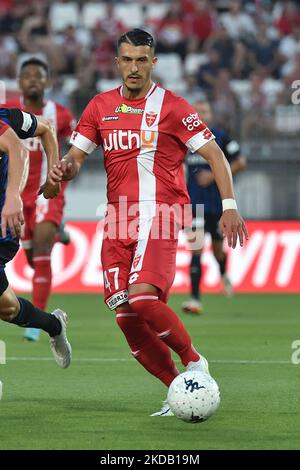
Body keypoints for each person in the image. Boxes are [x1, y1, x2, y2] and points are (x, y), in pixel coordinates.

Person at [49, 29, 248, 416]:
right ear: (117, 62)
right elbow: (76, 158)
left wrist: (229, 205)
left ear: (153, 62)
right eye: (127, 59)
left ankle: (194, 363)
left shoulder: (173, 107)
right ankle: (178, 390)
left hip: (161, 213)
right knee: (126, 316)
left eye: (142, 59)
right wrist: (63, 169)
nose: (134, 67)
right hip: (118, 220)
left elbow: (215, 155)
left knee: (142, 298)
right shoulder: (100, 106)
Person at [5, 57, 75, 341]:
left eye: (39, 75)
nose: (33, 79)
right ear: (19, 82)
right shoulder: (11, 113)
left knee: (42, 248)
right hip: (17, 196)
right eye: (28, 75)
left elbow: (76, 146)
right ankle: (60, 234)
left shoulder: (60, 113)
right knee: (33, 258)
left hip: (48, 192)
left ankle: (39, 323)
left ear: (47, 81)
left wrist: (62, 169)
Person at [0, 107, 71, 369]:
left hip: (4, 220)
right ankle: (54, 324)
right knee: (8, 309)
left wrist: (13, 196)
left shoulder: (6, 119)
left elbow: (36, 136)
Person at [182, 99, 247, 315]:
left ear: (210, 114)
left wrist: (211, 176)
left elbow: (240, 162)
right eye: (197, 111)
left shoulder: (220, 136)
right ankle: (194, 299)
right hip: (193, 206)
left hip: (218, 206)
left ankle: (223, 272)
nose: (201, 114)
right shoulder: (184, 138)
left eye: (205, 111)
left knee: (218, 250)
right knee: (196, 248)